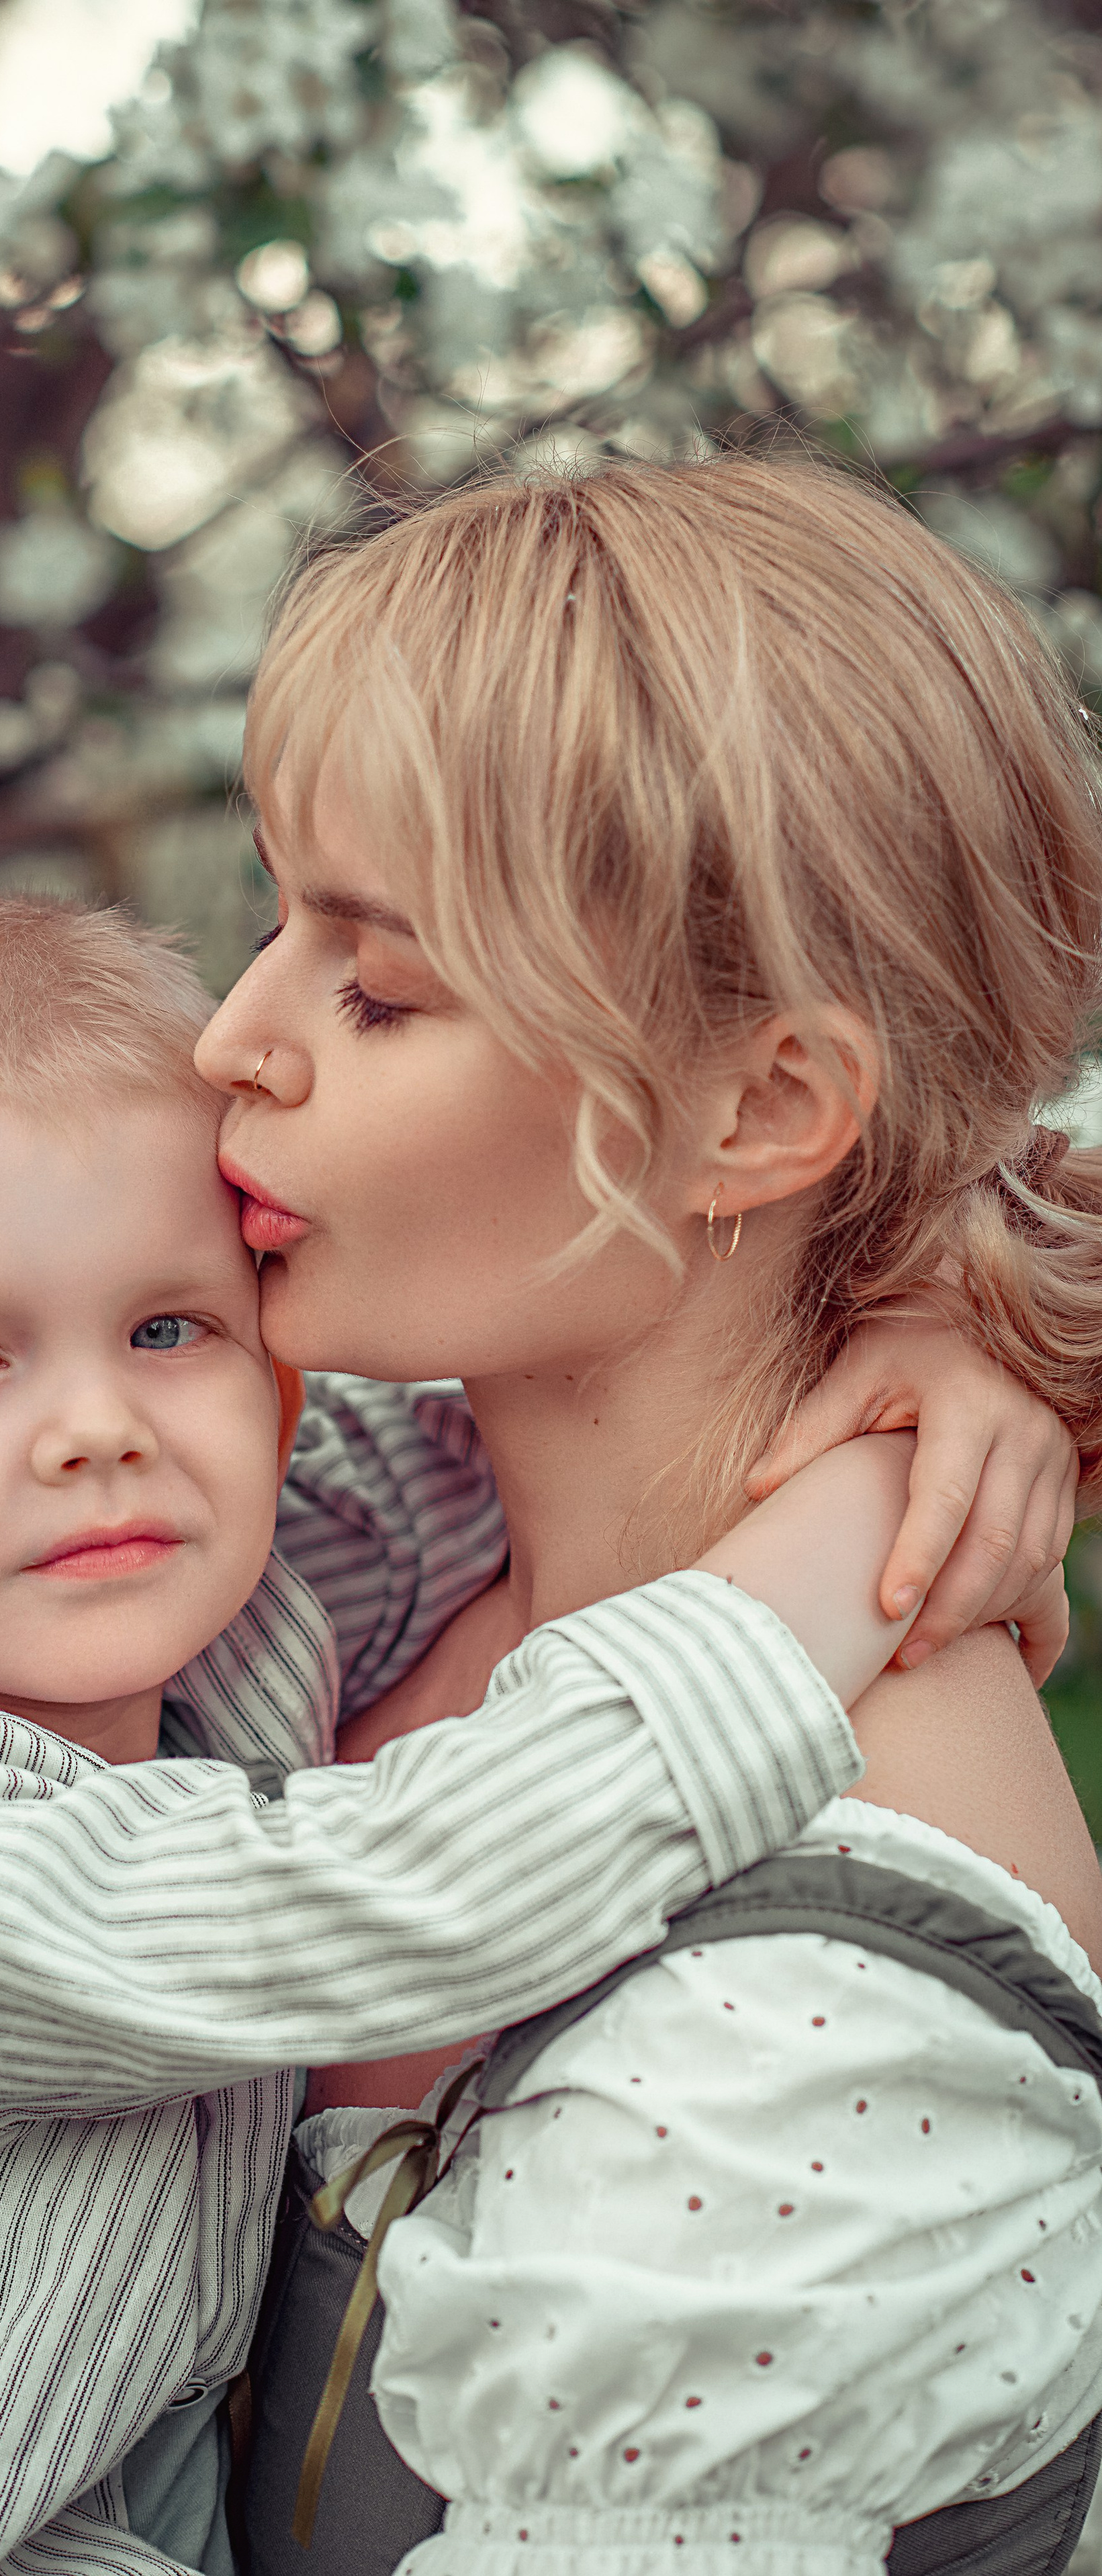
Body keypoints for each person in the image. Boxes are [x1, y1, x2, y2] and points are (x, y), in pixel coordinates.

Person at [0, 887, 1058, 2576]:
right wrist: (863, 1517)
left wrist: (946, 1351)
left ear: (269, 1394)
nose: (93, 1432)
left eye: (163, 1329)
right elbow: (403, 1891)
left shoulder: (219, 1582)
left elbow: (583, 1443)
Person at [197, 455, 1102, 2576]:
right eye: (274, 921)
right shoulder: (373, 1558)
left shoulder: (818, 2061)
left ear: (764, 1110)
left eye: (381, 990)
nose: (233, 1038)